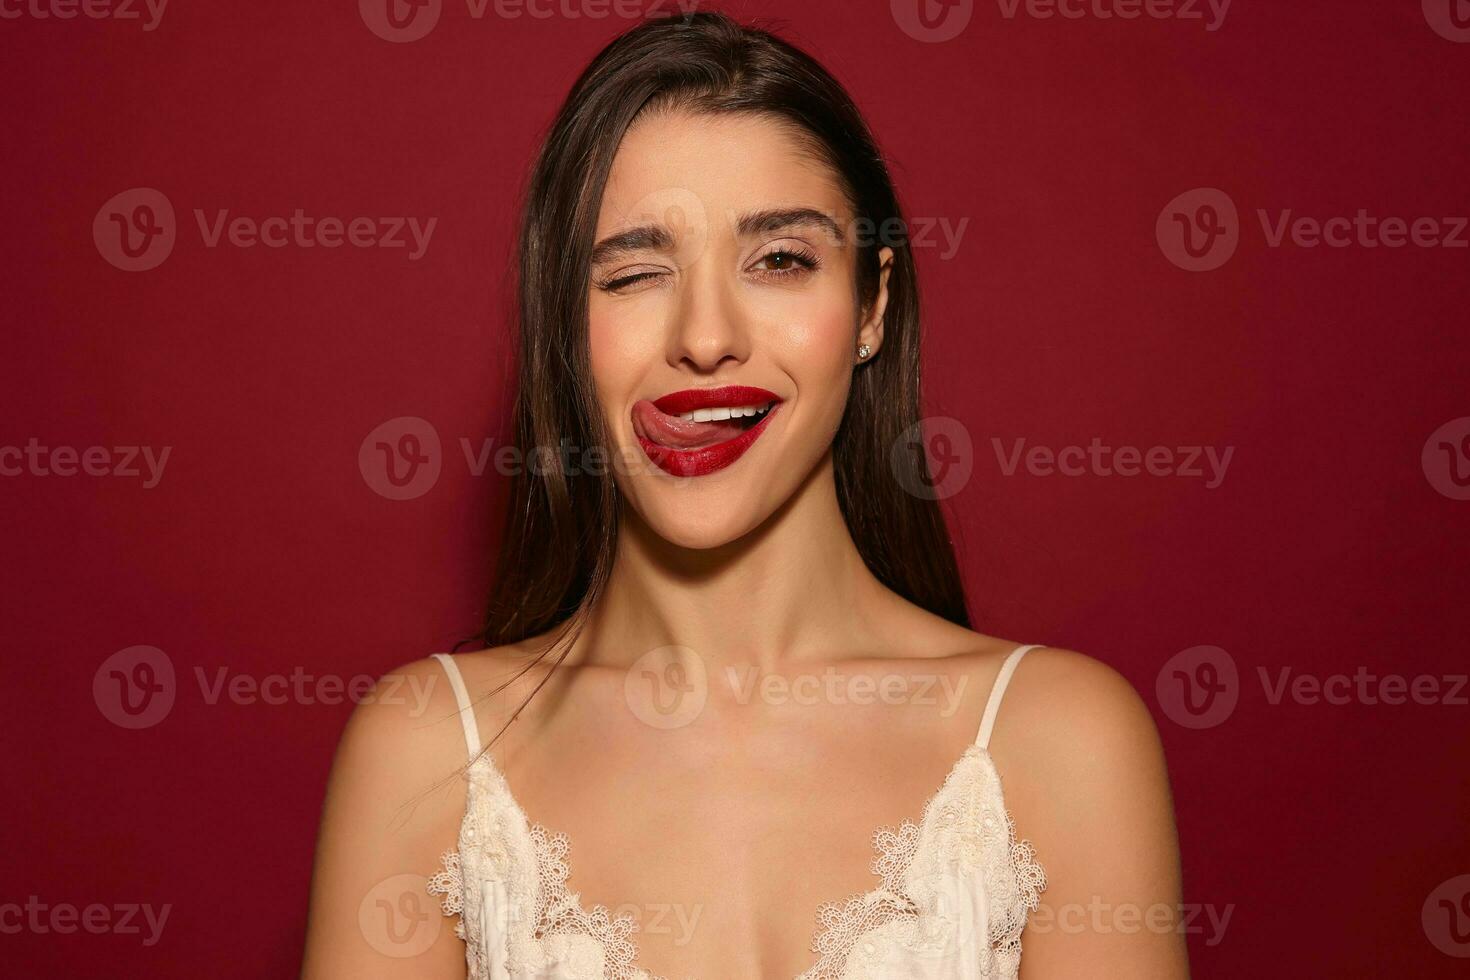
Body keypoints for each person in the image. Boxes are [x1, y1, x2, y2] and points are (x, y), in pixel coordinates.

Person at [303, 11, 1187, 979]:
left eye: (780, 260)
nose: (707, 335)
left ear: (872, 305)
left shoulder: (1058, 736)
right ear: (560, 320)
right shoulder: (428, 747)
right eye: (636, 272)